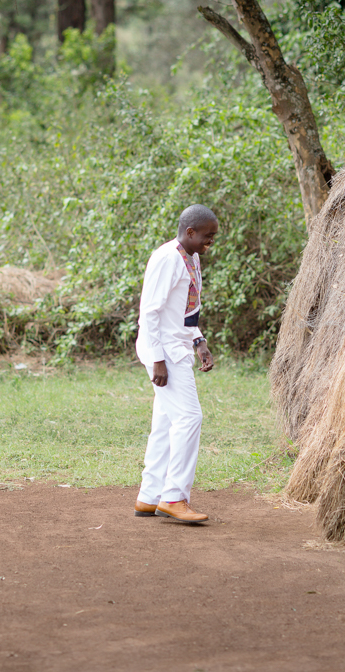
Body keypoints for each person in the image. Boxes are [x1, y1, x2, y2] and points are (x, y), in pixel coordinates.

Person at [133, 204, 219, 524]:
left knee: (167, 423)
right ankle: (174, 497)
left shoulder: (191, 257)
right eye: (208, 237)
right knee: (190, 418)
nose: (211, 242)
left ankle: (150, 496)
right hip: (164, 351)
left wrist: (199, 341)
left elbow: (184, 309)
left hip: (179, 344)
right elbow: (151, 313)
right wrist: (158, 360)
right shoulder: (168, 258)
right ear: (190, 232)